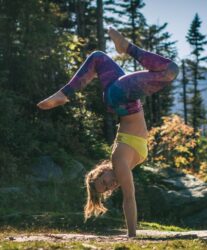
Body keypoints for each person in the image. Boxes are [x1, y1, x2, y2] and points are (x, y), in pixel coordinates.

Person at [37, 27, 179, 237]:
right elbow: (126, 195)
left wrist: (132, 237)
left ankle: (124, 49)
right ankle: (65, 94)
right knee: (97, 57)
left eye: (104, 181)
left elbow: (129, 199)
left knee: (170, 71)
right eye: (108, 188)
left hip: (122, 98)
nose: (111, 185)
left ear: (101, 171)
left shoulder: (119, 160)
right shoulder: (122, 165)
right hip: (120, 97)